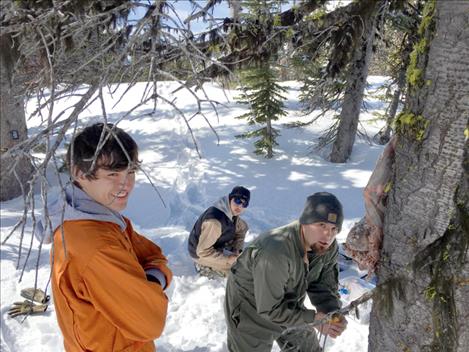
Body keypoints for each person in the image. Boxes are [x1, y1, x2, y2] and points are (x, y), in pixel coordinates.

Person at [50, 123, 172, 352]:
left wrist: (148, 276)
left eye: (131, 172)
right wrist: (155, 280)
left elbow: (152, 254)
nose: (126, 185)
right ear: (79, 173)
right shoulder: (97, 245)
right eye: (113, 173)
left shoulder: (91, 217)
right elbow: (150, 320)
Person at [224, 192, 348, 352]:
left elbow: (322, 285)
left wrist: (331, 313)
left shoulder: (326, 247)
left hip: (288, 302)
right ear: (305, 222)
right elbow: (270, 309)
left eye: (334, 228)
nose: (328, 235)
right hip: (250, 308)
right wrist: (314, 319)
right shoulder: (276, 252)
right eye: (321, 225)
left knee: (308, 348)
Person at [188, 186, 250, 278]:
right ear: (230, 198)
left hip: (214, 245)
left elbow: (242, 228)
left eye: (244, 204)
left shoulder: (231, 213)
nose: (240, 206)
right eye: (238, 201)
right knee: (238, 273)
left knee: (242, 264)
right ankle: (203, 267)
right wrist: (228, 259)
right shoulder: (215, 222)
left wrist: (236, 250)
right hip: (200, 254)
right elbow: (202, 252)